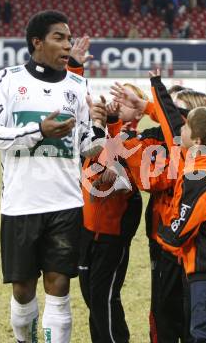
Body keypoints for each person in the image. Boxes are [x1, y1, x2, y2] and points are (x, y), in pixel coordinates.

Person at [0, 10, 107, 343]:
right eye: (59, 38)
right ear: (37, 42)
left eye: (68, 38)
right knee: (23, 289)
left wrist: (99, 131)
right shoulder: (6, 81)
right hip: (21, 202)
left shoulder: (78, 85)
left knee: (60, 285)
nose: (68, 45)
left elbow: (85, 145)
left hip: (65, 201)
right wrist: (38, 130)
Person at [150, 72, 206, 343]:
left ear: (198, 141)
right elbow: (171, 120)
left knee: (205, 331)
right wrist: (158, 87)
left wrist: (166, 236)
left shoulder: (200, 173)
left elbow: (188, 216)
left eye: (186, 128)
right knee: (204, 327)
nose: (181, 130)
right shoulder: (205, 161)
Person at [78, 85, 145, 343]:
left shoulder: (136, 141)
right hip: (87, 230)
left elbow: (129, 181)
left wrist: (118, 174)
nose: (115, 102)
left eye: (124, 100)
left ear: (137, 112)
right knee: (93, 297)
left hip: (111, 234)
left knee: (102, 298)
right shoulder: (100, 136)